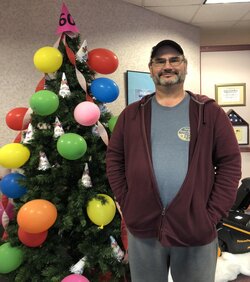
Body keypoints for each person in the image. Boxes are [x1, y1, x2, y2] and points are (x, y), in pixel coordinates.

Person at [106, 39, 241, 282]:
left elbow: (230, 164)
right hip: (144, 228)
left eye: (174, 60)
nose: (167, 66)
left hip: (195, 228)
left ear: (185, 66)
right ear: (151, 69)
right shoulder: (132, 115)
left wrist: (211, 215)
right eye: (160, 61)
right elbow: (114, 160)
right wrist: (128, 202)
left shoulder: (208, 112)